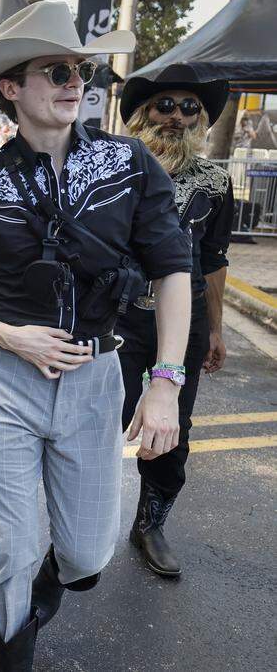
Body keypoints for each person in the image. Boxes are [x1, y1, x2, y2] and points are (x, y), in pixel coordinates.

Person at [0, 1, 193, 670]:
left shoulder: (129, 164)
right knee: (9, 549)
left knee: (86, 555)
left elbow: (175, 267)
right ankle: (12, 645)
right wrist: (7, 336)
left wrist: (166, 382)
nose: (75, 82)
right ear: (11, 88)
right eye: (56, 70)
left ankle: (43, 589)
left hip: (97, 379)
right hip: (4, 382)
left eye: (81, 71)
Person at [117, 65, 234, 577]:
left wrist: (215, 328)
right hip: (115, 320)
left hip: (181, 328)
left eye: (189, 108)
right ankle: (80, 519)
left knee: (173, 429)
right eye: (166, 105)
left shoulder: (215, 182)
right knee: (100, 418)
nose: (176, 117)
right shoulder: (115, 170)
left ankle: (150, 522)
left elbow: (213, 261)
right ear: (144, 114)